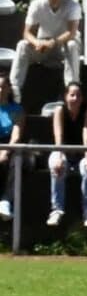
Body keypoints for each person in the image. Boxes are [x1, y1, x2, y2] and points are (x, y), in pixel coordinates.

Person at [12, 0, 84, 98]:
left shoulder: (72, 5)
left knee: (72, 44)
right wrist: (37, 43)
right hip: (43, 47)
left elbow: (71, 32)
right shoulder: (37, 5)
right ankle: (14, 89)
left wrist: (54, 42)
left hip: (64, 46)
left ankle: (72, 88)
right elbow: (27, 33)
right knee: (22, 45)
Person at [46, 80, 87, 228]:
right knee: (56, 166)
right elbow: (58, 135)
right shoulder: (59, 110)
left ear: (83, 98)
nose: (75, 98)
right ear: (66, 96)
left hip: (81, 153)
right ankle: (56, 210)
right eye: (72, 95)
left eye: (79, 95)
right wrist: (60, 156)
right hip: (61, 150)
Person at [0, 71, 20, 222]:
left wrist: (5, 152)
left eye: (2, 86)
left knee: (17, 161)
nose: (0, 90)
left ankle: (5, 201)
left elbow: (16, 135)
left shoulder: (17, 110)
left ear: (8, 89)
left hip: (9, 144)